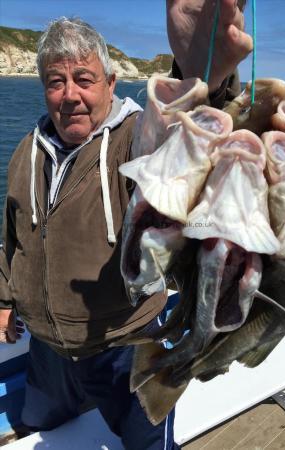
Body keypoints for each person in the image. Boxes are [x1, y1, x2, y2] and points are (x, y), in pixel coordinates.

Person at [0, 1, 251, 448]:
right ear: (43, 89)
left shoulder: (131, 139)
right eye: (55, 82)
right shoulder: (26, 151)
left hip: (126, 347)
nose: (70, 94)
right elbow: (12, 235)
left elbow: (178, 140)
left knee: (150, 444)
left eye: (84, 79)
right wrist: (4, 299)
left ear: (112, 83)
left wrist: (201, 74)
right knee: (34, 423)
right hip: (47, 349)